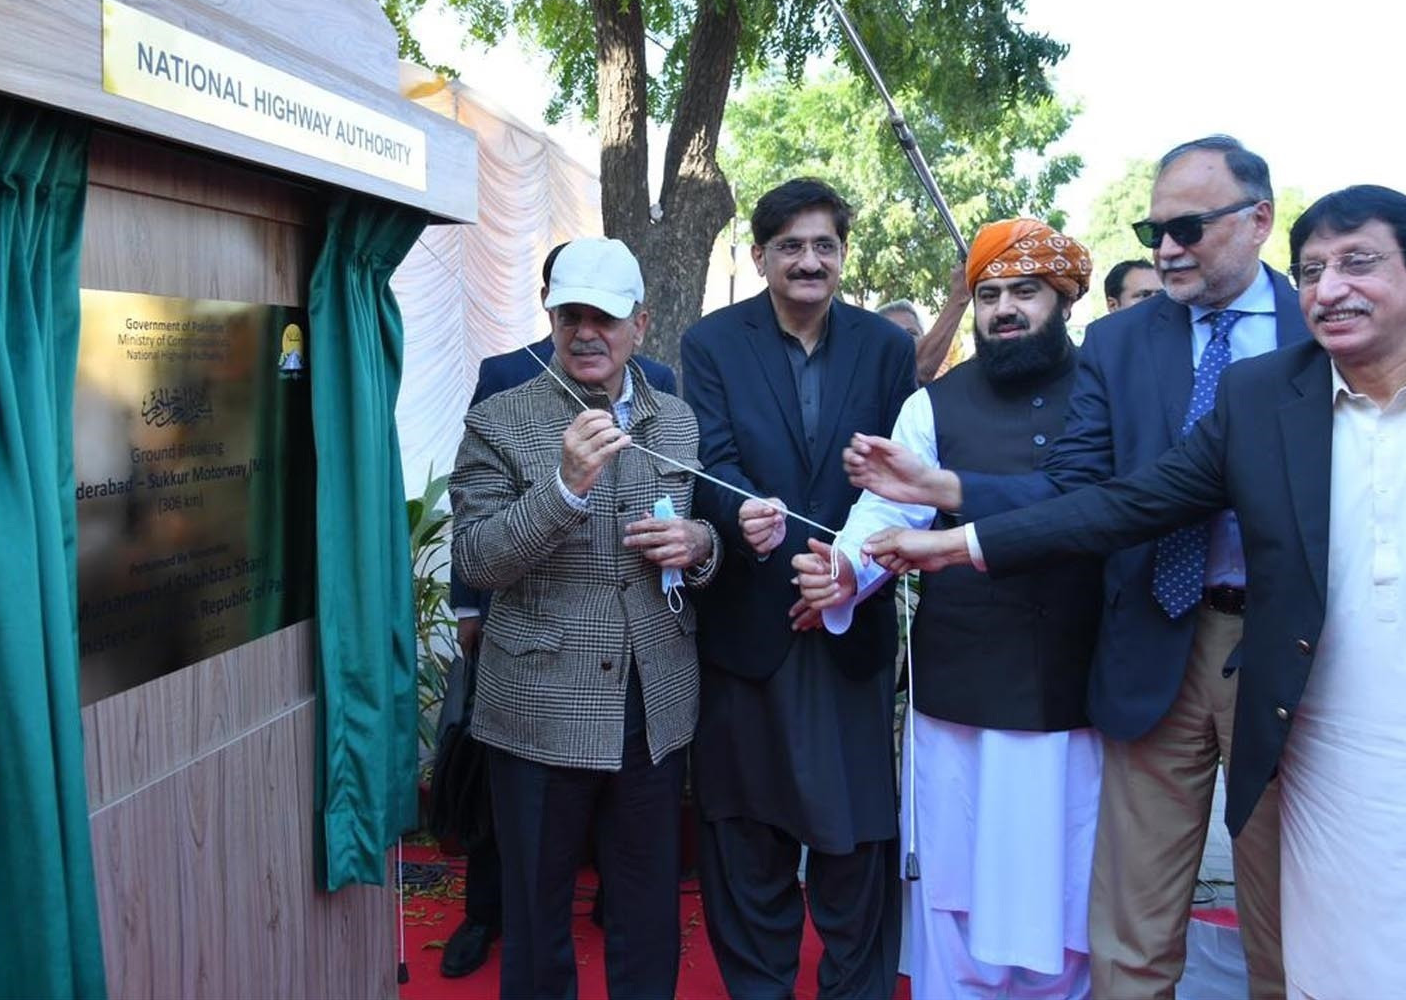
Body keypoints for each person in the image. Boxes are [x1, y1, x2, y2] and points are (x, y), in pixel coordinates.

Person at [860, 185, 1406, 999]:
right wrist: (956, 535)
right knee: (1332, 952)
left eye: (1358, 263)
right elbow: (1124, 500)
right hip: (1319, 735)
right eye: (1314, 268)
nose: (1330, 289)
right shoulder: (1263, 394)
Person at [844, 135, 1296, 999]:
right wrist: (939, 505)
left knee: (1284, 906)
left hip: (1286, 649)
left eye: (1188, 226)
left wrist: (952, 522)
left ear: (1259, 221)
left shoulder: (1320, 328)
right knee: (1130, 918)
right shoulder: (1125, 344)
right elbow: (1087, 491)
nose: (1166, 248)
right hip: (1153, 644)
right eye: (1153, 227)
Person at [791, 218, 1104, 999]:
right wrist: (841, 569)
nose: (1004, 310)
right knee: (954, 887)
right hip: (960, 684)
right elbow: (881, 519)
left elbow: (1095, 503)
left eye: (1024, 292)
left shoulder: (1107, 391)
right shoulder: (932, 406)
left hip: (1078, 686)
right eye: (988, 293)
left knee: (1068, 887)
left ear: (1061, 298)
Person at [449, 237, 723, 1000]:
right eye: (570, 314)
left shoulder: (677, 421)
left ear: (641, 322)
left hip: (653, 707)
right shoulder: (501, 419)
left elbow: (698, 546)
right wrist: (564, 488)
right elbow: (476, 558)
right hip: (538, 710)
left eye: (603, 316)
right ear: (552, 318)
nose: (585, 331)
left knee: (646, 913)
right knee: (536, 921)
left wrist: (700, 545)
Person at [680, 178, 918, 998]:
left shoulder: (886, 351)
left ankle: (855, 986)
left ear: (843, 254)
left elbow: (894, 479)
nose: (809, 260)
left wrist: (844, 575)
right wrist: (744, 511)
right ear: (760, 256)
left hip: (848, 622)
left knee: (855, 837)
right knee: (746, 832)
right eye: (791, 246)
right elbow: (707, 459)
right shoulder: (711, 343)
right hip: (750, 621)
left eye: (824, 244)